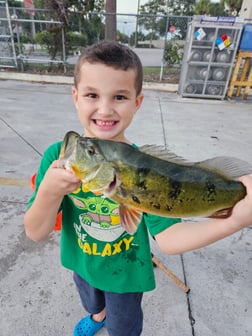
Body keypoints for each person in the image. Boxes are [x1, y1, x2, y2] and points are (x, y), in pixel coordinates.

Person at [24, 41, 252, 336]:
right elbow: (35, 232)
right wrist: (49, 191)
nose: (105, 108)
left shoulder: (146, 166)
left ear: (137, 102)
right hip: (80, 263)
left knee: (123, 327)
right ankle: (97, 316)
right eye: (92, 94)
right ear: (76, 97)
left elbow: (170, 240)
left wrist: (236, 219)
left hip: (126, 276)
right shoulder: (56, 158)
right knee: (91, 302)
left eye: (119, 96)